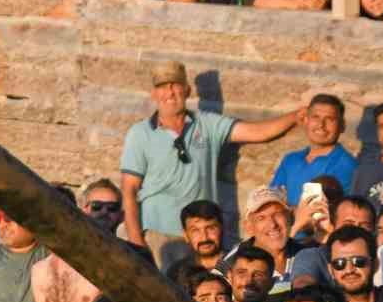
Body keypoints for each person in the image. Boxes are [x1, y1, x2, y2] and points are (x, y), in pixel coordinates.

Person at [120, 61, 301, 268]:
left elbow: (258, 132)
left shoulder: (208, 124)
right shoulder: (140, 134)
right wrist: (135, 237)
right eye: (162, 87)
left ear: (187, 91)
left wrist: (296, 117)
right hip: (159, 234)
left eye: (175, 85)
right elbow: (129, 190)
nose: (170, 92)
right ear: (154, 94)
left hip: (203, 234)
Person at [269, 94, 356, 208]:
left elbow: (322, 211)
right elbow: (272, 200)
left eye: (329, 119)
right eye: (316, 117)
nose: (321, 125)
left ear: (342, 125)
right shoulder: (290, 160)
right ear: (306, 121)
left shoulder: (347, 165)